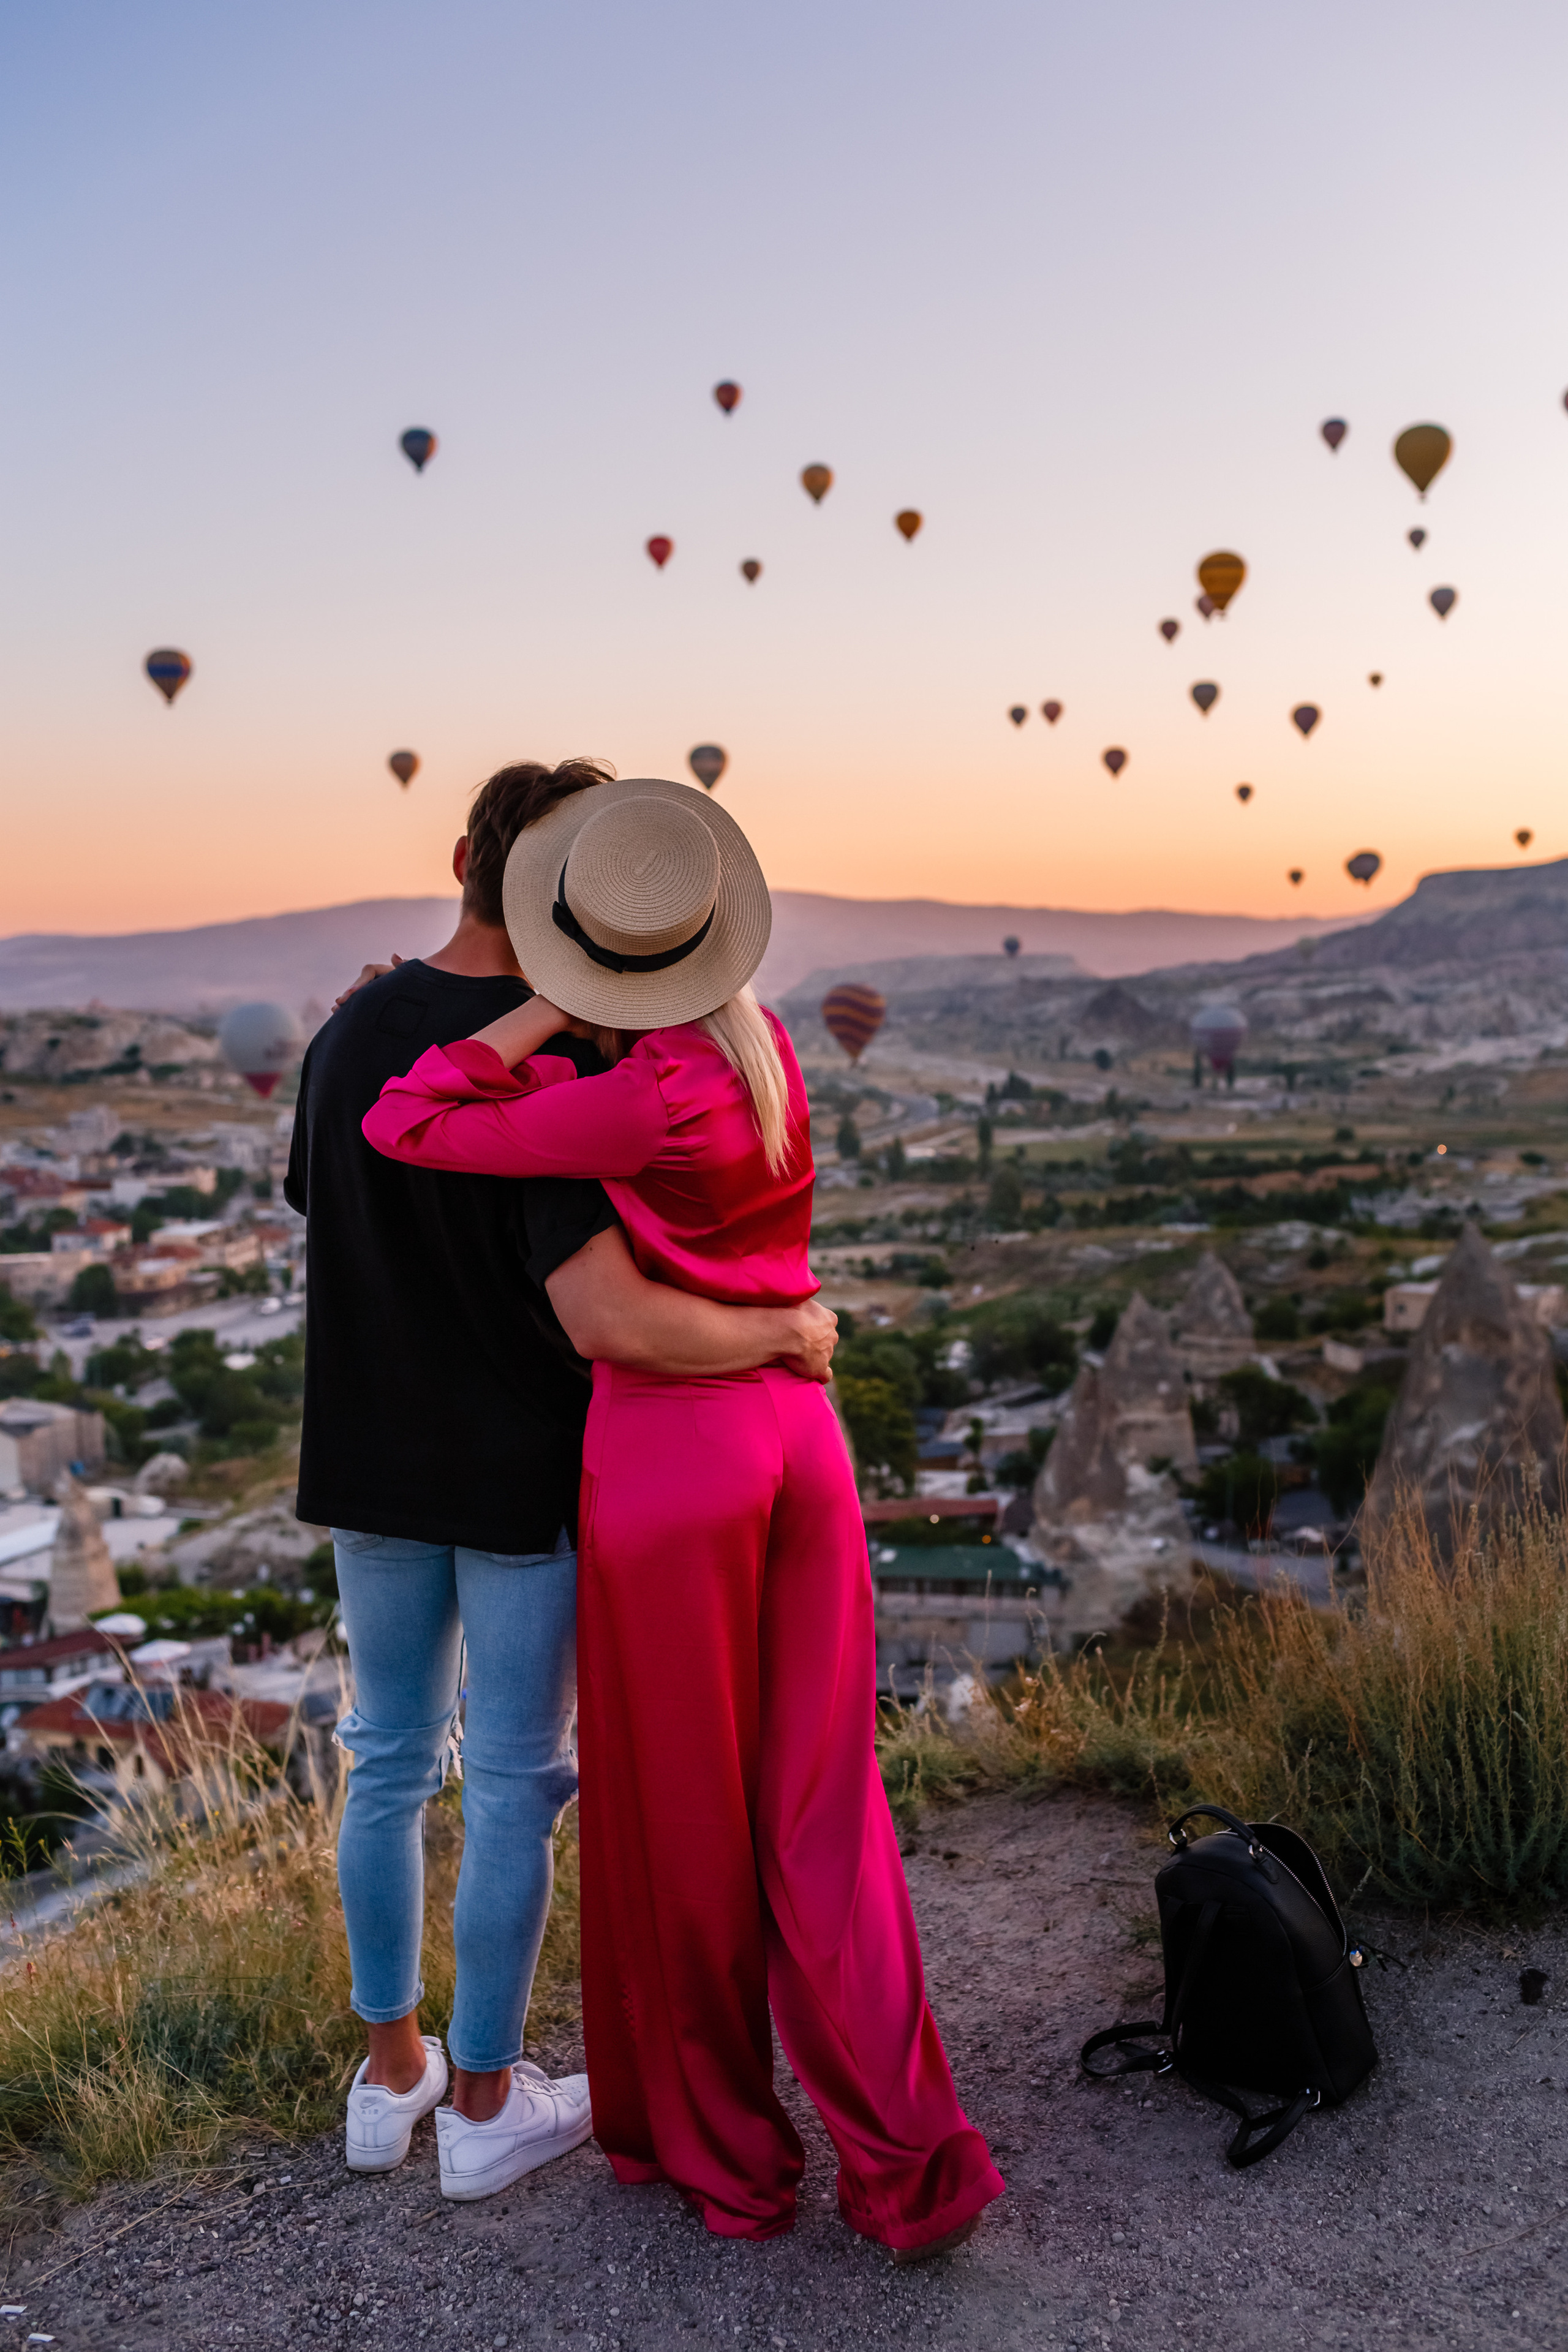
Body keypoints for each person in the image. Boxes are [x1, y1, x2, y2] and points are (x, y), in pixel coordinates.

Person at [361, 777, 1003, 2258]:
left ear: (593, 952)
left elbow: (415, 1116)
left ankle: (731, 2159)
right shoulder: (760, 1049)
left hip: (670, 1467)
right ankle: (913, 2163)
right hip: (802, 1443)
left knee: (686, 1829)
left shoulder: (626, 1100)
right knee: (821, 1818)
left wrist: (535, 1012)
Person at [287, 758, 837, 2201]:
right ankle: (481, 2107)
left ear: (466, 854)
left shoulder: (351, 1032)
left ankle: (386, 2075)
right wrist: (781, 1326)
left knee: (387, 1761)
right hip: (522, 1459)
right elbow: (603, 1301)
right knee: (518, 1779)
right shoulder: (581, 1057)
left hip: (365, 1452)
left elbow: (334, 1205)